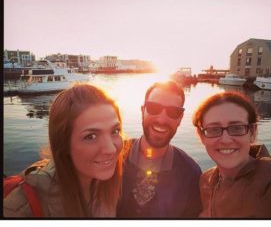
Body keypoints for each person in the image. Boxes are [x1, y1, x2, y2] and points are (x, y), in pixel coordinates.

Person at [4, 84, 126, 217]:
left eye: (115, 131)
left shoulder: (110, 183)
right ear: (64, 143)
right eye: (91, 136)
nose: (111, 149)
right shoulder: (19, 209)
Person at [192, 91, 271, 218]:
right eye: (213, 129)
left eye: (236, 128)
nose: (225, 140)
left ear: (252, 133)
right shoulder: (206, 180)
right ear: (202, 136)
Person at [117, 80, 202, 218]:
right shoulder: (114, 156)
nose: (161, 119)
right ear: (142, 111)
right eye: (153, 108)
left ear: (180, 119)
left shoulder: (190, 173)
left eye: (173, 112)